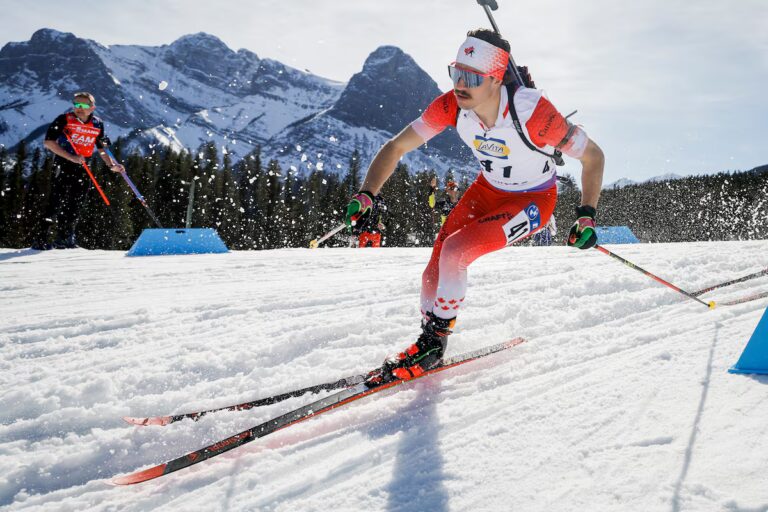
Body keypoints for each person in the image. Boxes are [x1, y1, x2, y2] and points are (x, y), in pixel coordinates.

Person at [344, 29, 604, 385]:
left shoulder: (534, 113)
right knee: (432, 273)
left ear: (497, 80)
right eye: (455, 73)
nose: (460, 85)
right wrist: (367, 194)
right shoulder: (451, 105)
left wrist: (585, 214)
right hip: (485, 191)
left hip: (532, 201)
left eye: (471, 77)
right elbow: (396, 147)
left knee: (456, 251)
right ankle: (428, 337)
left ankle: (433, 345)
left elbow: (593, 156)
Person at [36, 91, 124, 249]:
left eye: (83, 105)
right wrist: (71, 157)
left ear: (92, 107)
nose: (79, 108)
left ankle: (65, 238)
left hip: (84, 166)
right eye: (76, 104)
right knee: (56, 201)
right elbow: (49, 142)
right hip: (64, 164)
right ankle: (41, 238)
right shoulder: (64, 119)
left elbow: (101, 149)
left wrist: (112, 165)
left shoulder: (97, 124)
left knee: (75, 204)